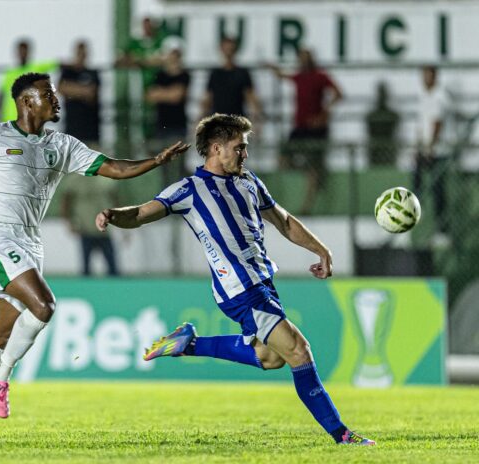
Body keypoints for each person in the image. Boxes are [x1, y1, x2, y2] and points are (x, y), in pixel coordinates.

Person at [0, 72, 188, 442]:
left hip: (29, 243)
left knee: (1, 334)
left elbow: (113, 168)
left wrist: (156, 161)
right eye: (48, 94)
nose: (56, 99)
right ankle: (1, 377)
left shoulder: (62, 145)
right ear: (27, 101)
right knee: (44, 305)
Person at [95, 113, 375, 446]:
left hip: (263, 282)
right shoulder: (188, 189)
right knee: (299, 351)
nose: (245, 153)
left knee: (271, 358)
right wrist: (113, 215)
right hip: (240, 289)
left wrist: (321, 249)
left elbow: (284, 222)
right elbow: (141, 214)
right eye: (239, 147)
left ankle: (190, 344)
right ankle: (342, 435)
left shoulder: (249, 181)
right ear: (216, 148)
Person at [268, 49, 343, 215]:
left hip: (316, 129)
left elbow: (339, 94)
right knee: (283, 159)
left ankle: (307, 206)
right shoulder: (299, 77)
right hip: (300, 127)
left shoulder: (320, 76)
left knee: (314, 167)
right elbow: (283, 76)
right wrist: (272, 68)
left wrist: (324, 114)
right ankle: (307, 169)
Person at [146, 39, 191, 185]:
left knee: (178, 168)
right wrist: (170, 93)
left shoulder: (184, 75)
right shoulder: (160, 75)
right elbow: (150, 96)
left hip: (178, 127)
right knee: (164, 168)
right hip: (162, 127)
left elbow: (176, 96)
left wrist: (161, 93)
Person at [414, 65, 450, 246]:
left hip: (438, 152)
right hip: (426, 150)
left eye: (428, 75)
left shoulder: (440, 97)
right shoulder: (423, 97)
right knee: (417, 181)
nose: (425, 79)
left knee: (438, 192)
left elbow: (437, 124)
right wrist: (419, 147)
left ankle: (443, 232)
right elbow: (422, 125)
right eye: (423, 75)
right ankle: (415, 212)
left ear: (435, 77)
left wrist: (430, 148)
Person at [61, 175, 119, 276]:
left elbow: (116, 201)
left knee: (112, 267)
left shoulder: (107, 179)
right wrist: (68, 222)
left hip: (104, 228)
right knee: (86, 269)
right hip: (85, 228)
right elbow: (66, 203)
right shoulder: (74, 180)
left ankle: (115, 284)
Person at [201, 36, 262, 122]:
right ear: (221, 50)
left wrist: (256, 116)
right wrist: (201, 117)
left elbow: (250, 96)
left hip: (237, 120)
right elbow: (208, 98)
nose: (228, 52)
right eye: (226, 49)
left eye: (231, 49)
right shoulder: (215, 74)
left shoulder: (242, 73)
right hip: (218, 120)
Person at [0, 39, 58, 122]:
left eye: (24, 51)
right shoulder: (9, 73)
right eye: (21, 51)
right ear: (17, 52)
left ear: (28, 52)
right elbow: (1, 94)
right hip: (10, 118)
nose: (22, 54)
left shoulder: (36, 68)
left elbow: (57, 64)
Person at [58, 40, 100, 146]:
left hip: (91, 131)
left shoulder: (93, 73)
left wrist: (73, 91)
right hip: (72, 130)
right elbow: (62, 88)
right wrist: (83, 90)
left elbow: (92, 94)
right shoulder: (68, 72)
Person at [365, 82, 400, 166]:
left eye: (383, 94)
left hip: (388, 151)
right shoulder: (371, 116)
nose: (382, 96)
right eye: (380, 94)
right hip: (375, 151)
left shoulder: (393, 115)